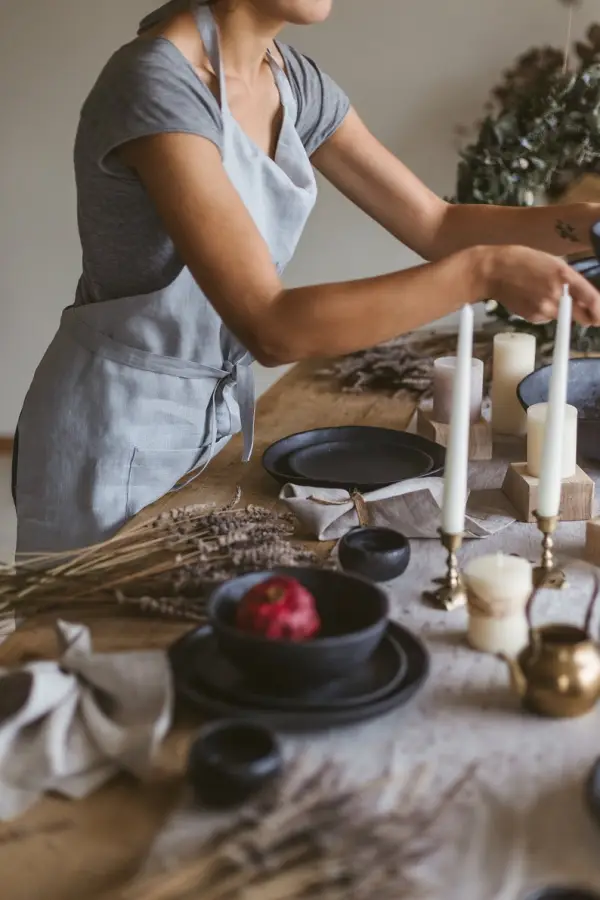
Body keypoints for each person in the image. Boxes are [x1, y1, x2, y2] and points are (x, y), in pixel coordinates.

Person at [13, 0, 600, 554]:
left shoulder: (291, 80)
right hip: (112, 436)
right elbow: (270, 326)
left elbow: (436, 223)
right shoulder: (155, 83)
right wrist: (485, 271)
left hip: (209, 427)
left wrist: (583, 225)